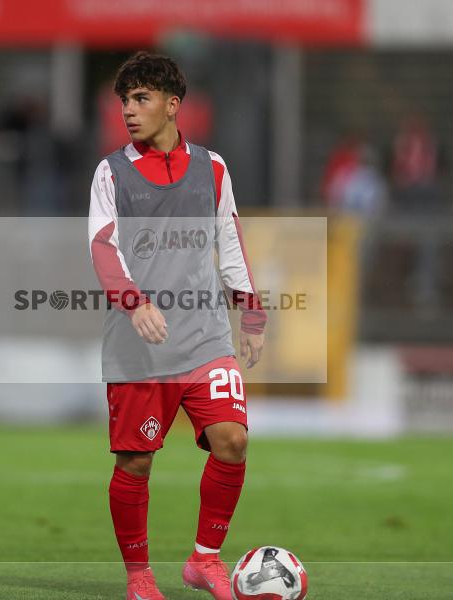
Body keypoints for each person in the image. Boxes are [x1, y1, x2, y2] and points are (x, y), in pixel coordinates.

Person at [87, 51, 267, 600]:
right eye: (124, 102)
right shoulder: (110, 172)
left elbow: (230, 239)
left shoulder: (212, 168)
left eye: (140, 99)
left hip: (206, 337)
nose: (129, 112)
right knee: (136, 461)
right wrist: (133, 301)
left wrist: (251, 313)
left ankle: (205, 561)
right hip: (139, 345)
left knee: (232, 439)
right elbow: (102, 245)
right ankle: (139, 577)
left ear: (172, 104)